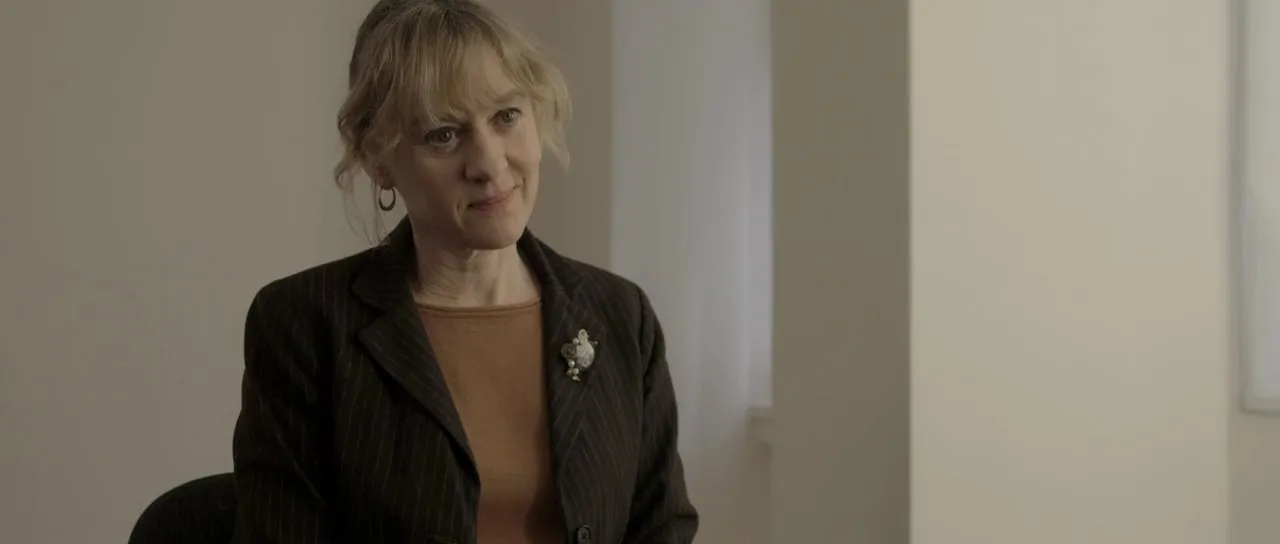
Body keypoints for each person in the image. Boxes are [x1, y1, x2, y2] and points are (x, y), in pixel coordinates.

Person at [230, 1, 697, 543]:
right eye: (443, 135)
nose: (490, 164)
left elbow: (662, 528)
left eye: (506, 116)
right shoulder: (302, 324)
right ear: (378, 158)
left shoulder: (620, 315)